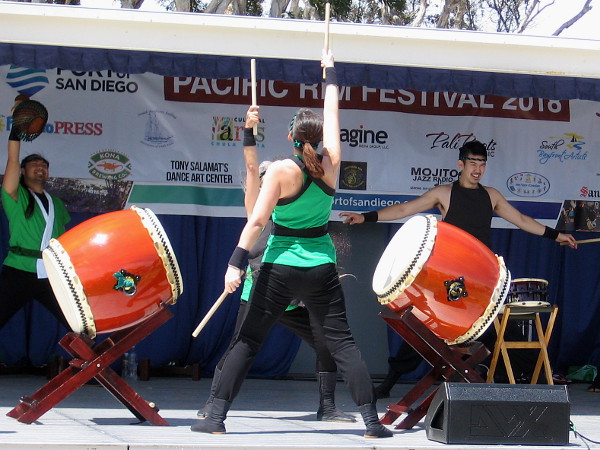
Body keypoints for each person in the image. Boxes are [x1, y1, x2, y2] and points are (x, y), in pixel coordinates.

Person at [190, 49, 392, 438]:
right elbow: (333, 114)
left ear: (291, 138)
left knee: (248, 341)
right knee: (343, 344)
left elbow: (257, 221)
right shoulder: (331, 165)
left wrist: (234, 263)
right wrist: (330, 73)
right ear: (318, 139)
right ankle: (372, 423)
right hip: (320, 268)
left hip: (279, 266)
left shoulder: (281, 171)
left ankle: (214, 418)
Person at [340, 140, 577, 397]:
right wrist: (367, 217)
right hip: (450, 278)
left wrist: (556, 235)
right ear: (461, 164)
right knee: (426, 328)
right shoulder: (444, 193)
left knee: (500, 329)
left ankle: (538, 378)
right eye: (473, 163)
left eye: (482, 164)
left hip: (481, 278)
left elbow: (521, 219)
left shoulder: (492, 195)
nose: (477, 169)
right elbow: (405, 209)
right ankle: (389, 383)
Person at [197, 105, 355, 423]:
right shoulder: (255, 207)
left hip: (296, 290)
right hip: (263, 288)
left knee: (326, 342)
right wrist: (248, 131)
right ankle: (213, 403)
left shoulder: (294, 203)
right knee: (239, 345)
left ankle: (327, 406)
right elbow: (251, 167)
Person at [0, 97, 71, 334]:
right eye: (34, 163)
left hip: (50, 273)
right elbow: (12, 158)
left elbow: (63, 240)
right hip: (19, 270)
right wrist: (16, 129)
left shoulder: (57, 204)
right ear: (22, 171)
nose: (40, 166)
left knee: (78, 323)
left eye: (44, 165)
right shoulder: (15, 195)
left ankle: (93, 358)